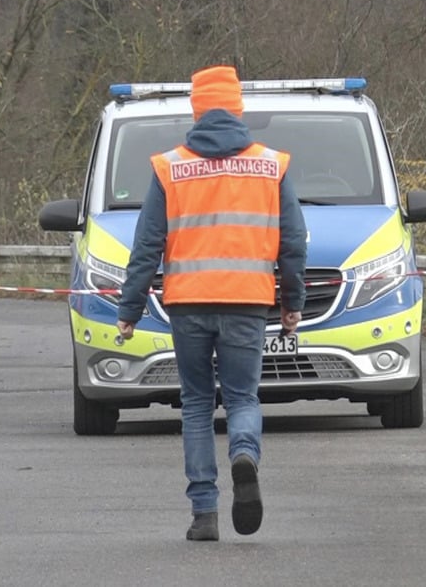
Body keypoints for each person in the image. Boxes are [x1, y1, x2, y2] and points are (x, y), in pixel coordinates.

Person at [116, 65, 307, 541]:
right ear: (238, 107)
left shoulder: (170, 167)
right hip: (246, 303)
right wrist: (292, 301)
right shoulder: (272, 164)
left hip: (188, 304)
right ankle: (244, 452)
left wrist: (129, 310)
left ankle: (204, 513)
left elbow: (147, 246)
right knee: (243, 397)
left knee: (198, 404)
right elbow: (294, 242)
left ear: (196, 109)